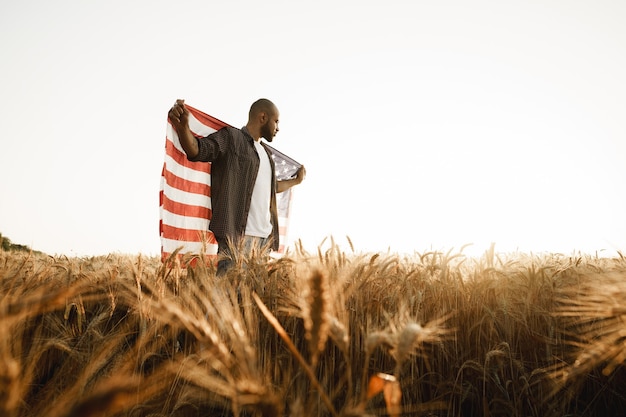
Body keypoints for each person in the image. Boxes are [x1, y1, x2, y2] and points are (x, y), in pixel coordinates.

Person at [168, 98, 306, 275]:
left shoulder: (267, 155)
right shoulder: (231, 138)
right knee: (227, 297)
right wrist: (182, 128)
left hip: (264, 240)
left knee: (253, 299)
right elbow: (197, 149)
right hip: (236, 237)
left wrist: (296, 181)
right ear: (263, 117)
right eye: (276, 121)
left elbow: (272, 188)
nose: (278, 128)